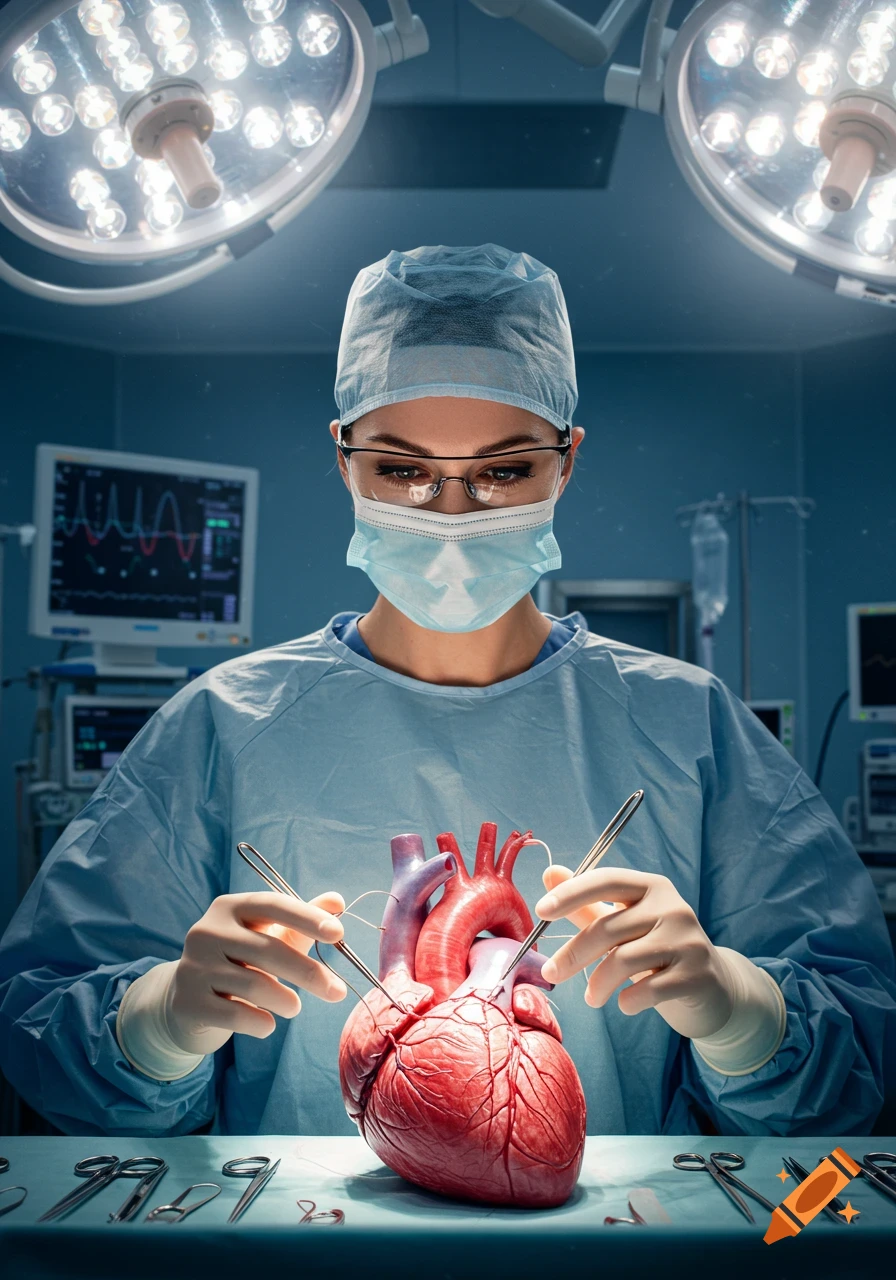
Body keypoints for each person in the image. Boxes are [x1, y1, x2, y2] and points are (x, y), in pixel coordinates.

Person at [1, 244, 894, 1140]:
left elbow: (858, 1044)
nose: (453, 516)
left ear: (567, 462)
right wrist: (159, 1025)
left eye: (505, 471)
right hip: (297, 1228)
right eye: (401, 470)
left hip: (617, 1227)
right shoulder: (224, 725)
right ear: (343, 460)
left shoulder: (688, 725)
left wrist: (742, 1014)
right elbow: (42, 1017)